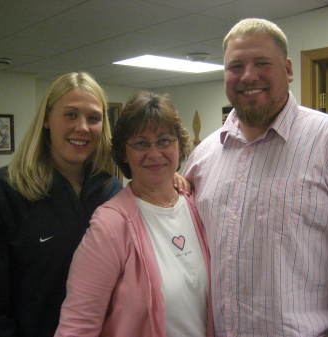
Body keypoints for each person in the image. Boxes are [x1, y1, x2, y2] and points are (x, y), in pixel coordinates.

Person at [183, 18, 328, 337]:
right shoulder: (203, 157)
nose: (248, 76)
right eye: (235, 66)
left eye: (261, 63)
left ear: (288, 70)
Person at [0, 72, 123, 337]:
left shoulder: (110, 190)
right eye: (70, 114)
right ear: (46, 119)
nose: (83, 127)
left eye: (93, 118)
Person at [54, 91, 214, 337]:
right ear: (124, 153)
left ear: (179, 145)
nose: (154, 153)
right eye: (140, 143)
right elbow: (78, 324)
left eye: (164, 141)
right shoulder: (109, 225)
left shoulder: (199, 204)